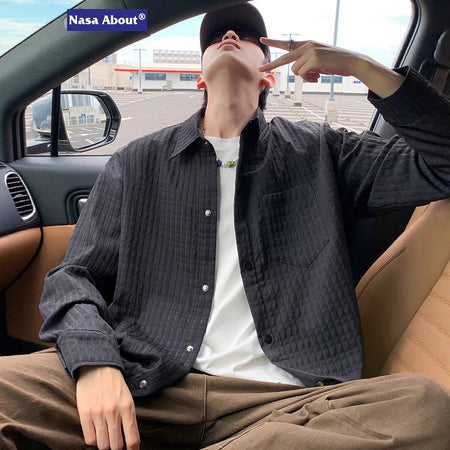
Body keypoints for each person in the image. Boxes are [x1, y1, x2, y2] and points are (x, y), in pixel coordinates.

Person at [0, 3, 449, 449]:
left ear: (269, 76)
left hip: (284, 404)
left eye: (248, 37)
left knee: (422, 405)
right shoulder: (136, 162)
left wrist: (362, 67)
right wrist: (95, 361)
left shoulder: (322, 151)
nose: (230, 36)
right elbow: (74, 277)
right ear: (200, 77)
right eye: (216, 38)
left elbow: (443, 165)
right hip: (144, 380)